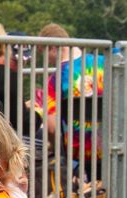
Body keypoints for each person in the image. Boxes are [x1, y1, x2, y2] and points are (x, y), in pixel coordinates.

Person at [34, 23, 104, 177]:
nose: (47, 61)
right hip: (109, 147)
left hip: (77, 153)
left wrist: (54, 148)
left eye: (44, 54)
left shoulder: (56, 79)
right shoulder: (104, 63)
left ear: (53, 48)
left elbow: (51, 127)